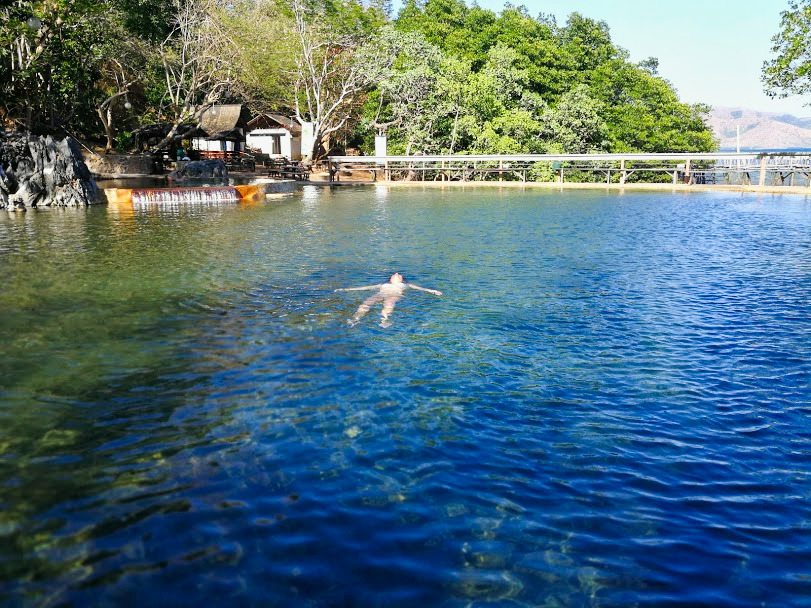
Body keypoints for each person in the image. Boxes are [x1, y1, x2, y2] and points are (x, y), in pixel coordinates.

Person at [335, 272, 442, 327]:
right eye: (394, 274)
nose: (396, 274)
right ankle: (356, 318)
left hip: (394, 295)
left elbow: (422, 289)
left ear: (401, 279)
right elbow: (364, 288)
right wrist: (345, 289)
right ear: (390, 279)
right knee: (367, 303)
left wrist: (433, 291)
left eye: (399, 275)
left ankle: (384, 320)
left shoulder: (406, 285)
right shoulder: (383, 284)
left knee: (389, 304)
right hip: (381, 294)